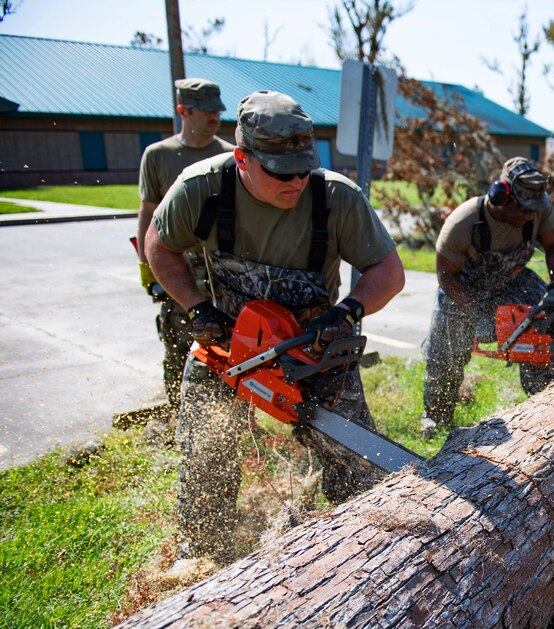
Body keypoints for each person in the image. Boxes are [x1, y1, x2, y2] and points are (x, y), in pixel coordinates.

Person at [146, 90, 405, 563]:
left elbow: (389, 272)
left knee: (361, 466)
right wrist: (196, 307)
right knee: (206, 454)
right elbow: (158, 247)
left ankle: (368, 555)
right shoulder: (199, 189)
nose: (297, 181)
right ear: (242, 157)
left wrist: (347, 310)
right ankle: (201, 556)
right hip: (228, 346)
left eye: (304, 168)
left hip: (312, 347)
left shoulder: (335, 198)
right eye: (283, 173)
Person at [420, 156, 554, 436]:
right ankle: (435, 418)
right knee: (446, 351)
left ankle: (547, 397)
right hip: (464, 287)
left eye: (534, 209)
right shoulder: (464, 223)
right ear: (501, 195)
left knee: (547, 319)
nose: (529, 215)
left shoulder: (539, 208)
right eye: (524, 209)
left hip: (510, 279)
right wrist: (477, 314)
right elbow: (445, 275)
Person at [136, 78, 235, 407]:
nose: (214, 117)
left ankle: (227, 415)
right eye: (206, 111)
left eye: (217, 111)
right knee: (179, 343)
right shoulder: (158, 156)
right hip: (177, 264)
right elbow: (149, 212)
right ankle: (177, 413)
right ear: (183, 110)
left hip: (222, 266)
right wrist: (146, 267)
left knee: (228, 344)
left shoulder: (229, 155)